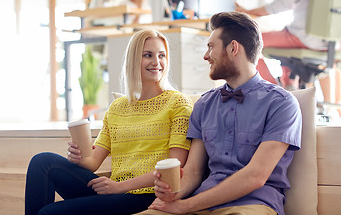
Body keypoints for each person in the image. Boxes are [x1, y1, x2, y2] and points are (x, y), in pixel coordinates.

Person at [139, 12, 302, 215]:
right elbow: (194, 172)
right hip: (202, 203)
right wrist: (172, 193)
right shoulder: (204, 104)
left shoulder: (282, 103)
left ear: (233, 48)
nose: (206, 56)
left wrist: (185, 206)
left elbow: (255, 176)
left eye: (210, 47)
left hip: (252, 204)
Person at [25, 29, 193, 215]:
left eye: (162, 55)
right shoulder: (117, 108)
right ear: (133, 59)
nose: (156, 62)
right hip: (114, 192)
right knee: (42, 161)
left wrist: (120, 186)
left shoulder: (177, 103)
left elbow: (175, 165)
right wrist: (78, 157)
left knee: (48, 213)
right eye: (148, 55)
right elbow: (93, 162)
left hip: (147, 195)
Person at [235, 0, 327, 89]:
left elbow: (283, 3)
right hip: (332, 44)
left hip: (304, 38)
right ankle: (288, 86)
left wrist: (248, 12)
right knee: (285, 38)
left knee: (243, 41)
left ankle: (270, 91)